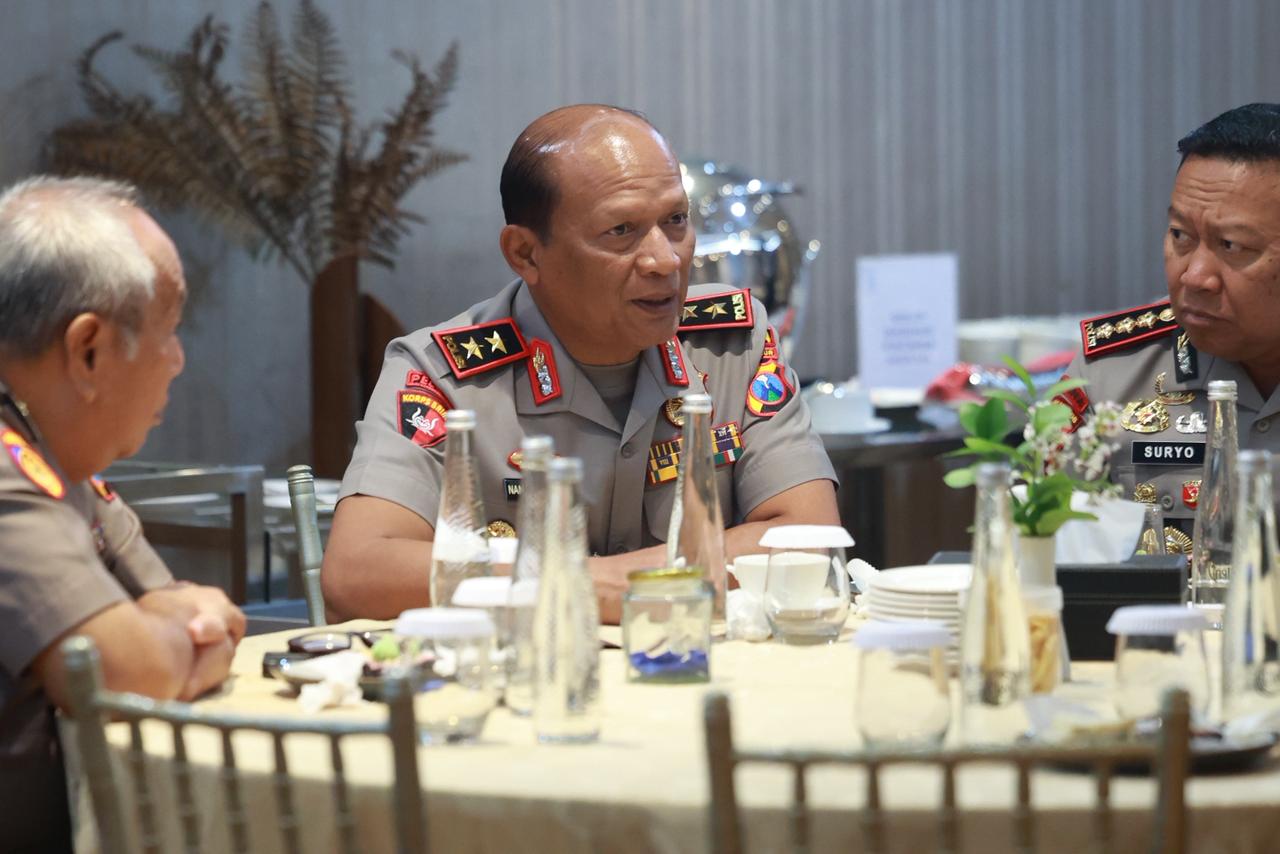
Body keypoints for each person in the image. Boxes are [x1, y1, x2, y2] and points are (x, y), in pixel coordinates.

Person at [324, 104, 840, 623]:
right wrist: (595, 585)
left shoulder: (732, 344)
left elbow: (810, 539)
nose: (665, 259)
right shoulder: (440, 377)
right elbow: (357, 573)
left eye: (676, 221)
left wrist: (573, 582)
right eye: (621, 230)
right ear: (526, 254)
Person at [0, 176, 245, 852]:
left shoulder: (57, 459)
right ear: (89, 351)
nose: (178, 360)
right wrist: (164, 637)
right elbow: (128, 672)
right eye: (169, 330)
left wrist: (166, 628)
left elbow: (179, 604)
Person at [1061, 102, 1280, 555]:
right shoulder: (1111, 374)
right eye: (1181, 235)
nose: (1195, 277)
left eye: (1231, 245)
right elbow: (1041, 555)